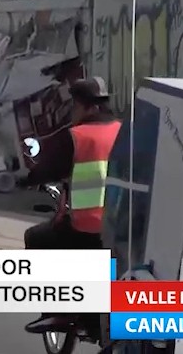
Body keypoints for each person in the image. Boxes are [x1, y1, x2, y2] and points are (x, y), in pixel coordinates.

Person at [23, 76, 121, 333]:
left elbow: (46, 171)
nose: (73, 112)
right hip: (123, 228)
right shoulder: (124, 131)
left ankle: (57, 312)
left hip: (87, 229)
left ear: (88, 107)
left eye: (75, 106)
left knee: (36, 237)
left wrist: (27, 177)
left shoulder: (75, 137)